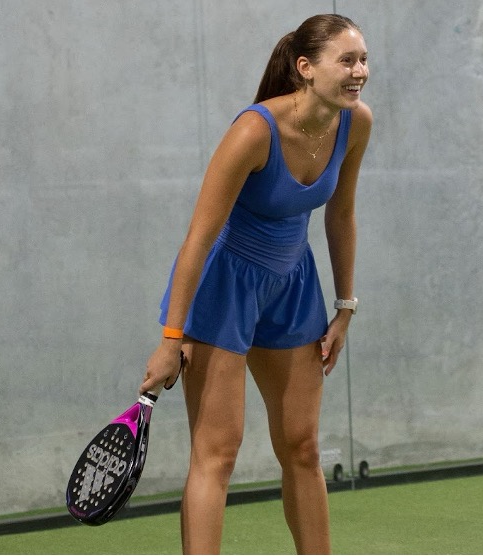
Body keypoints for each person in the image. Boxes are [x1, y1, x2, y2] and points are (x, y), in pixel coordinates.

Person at [140, 13, 372, 554]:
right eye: (347, 60)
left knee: (303, 447)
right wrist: (172, 337)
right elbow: (197, 240)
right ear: (306, 68)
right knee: (217, 453)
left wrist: (344, 307)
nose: (359, 70)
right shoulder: (252, 131)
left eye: (363, 59)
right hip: (224, 288)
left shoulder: (355, 122)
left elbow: (341, 214)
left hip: (293, 286)